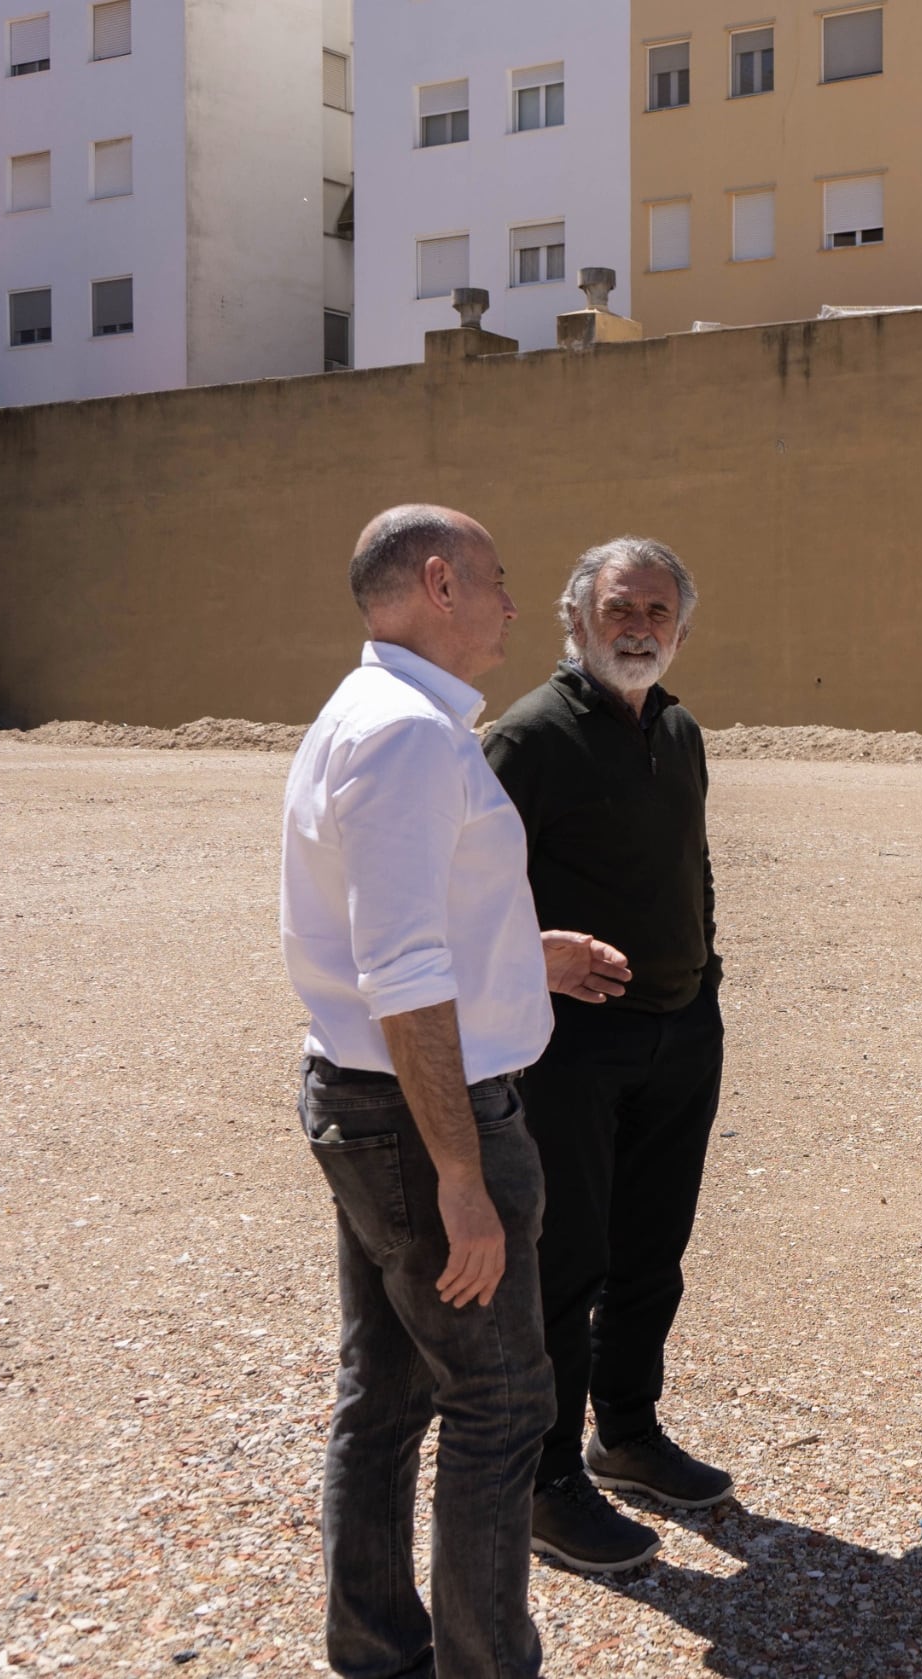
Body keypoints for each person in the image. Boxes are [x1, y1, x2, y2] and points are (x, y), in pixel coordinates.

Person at [282, 505, 633, 1679]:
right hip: (423, 1119)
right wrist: (463, 1176)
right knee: (498, 1402)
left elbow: (405, 926)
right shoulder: (406, 737)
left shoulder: (373, 717)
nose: (512, 605)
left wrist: (527, 953)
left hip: (378, 1102)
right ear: (438, 582)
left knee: (382, 1392)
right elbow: (401, 973)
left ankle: (379, 1651)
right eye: (496, 579)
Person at [479, 538, 731, 1574]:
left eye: (658, 611)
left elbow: (692, 864)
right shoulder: (528, 738)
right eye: (620, 608)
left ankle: (624, 1430)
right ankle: (544, 1481)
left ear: (680, 625)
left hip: (678, 1031)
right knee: (564, 1259)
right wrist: (537, 962)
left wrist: (704, 980)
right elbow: (470, 891)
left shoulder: (676, 726)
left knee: (650, 1251)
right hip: (570, 1046)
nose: (639, 627)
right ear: (575, 618)